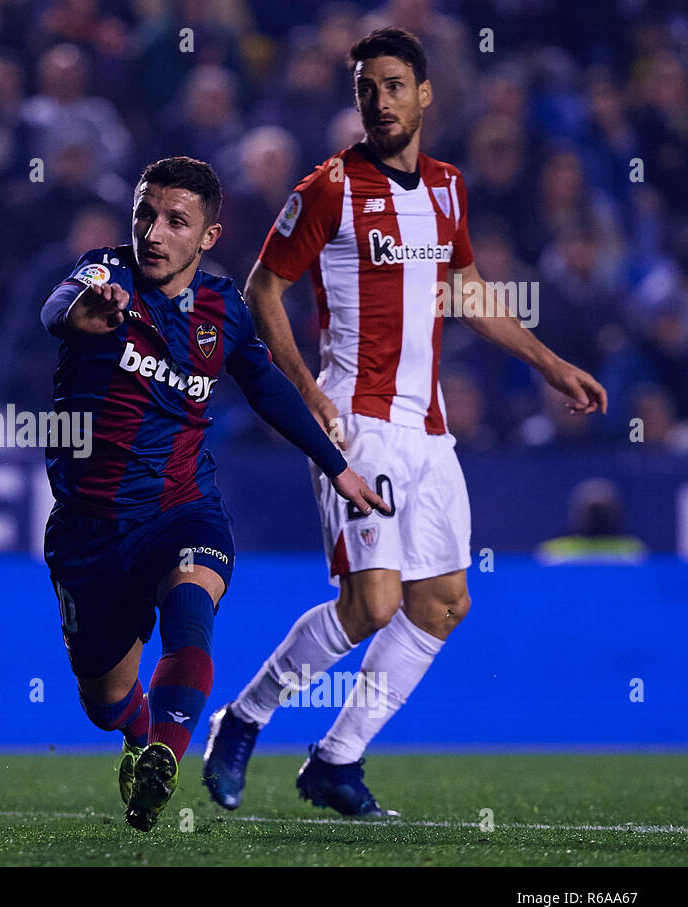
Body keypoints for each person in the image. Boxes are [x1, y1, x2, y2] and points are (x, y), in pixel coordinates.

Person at [204, 28, 607, 817]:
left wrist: (550, 363)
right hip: (359, 421)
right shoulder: (328, 189)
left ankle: (337, 760)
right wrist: (310, 395)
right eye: (366, 89)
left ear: (425, 95)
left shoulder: (450, 188)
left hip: (430, 430)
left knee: (444, 602)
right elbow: (261, 290)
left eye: (393, 85)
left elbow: (467, 292)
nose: (379, 101)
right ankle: (242, 719)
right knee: (372, 605)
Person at [41, 156, 387, 832]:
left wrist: (336, 465)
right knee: (105, 699)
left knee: (191, 604)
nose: (154, 232)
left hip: (182, 505)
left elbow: (265, 389)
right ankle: (140, 734)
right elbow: (55, 308)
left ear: (208, 236)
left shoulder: (222, 308)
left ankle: (165, 761)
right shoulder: (104, 274)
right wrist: (86, 311)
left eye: (176, 221)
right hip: (90, 526)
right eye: (146, 215)